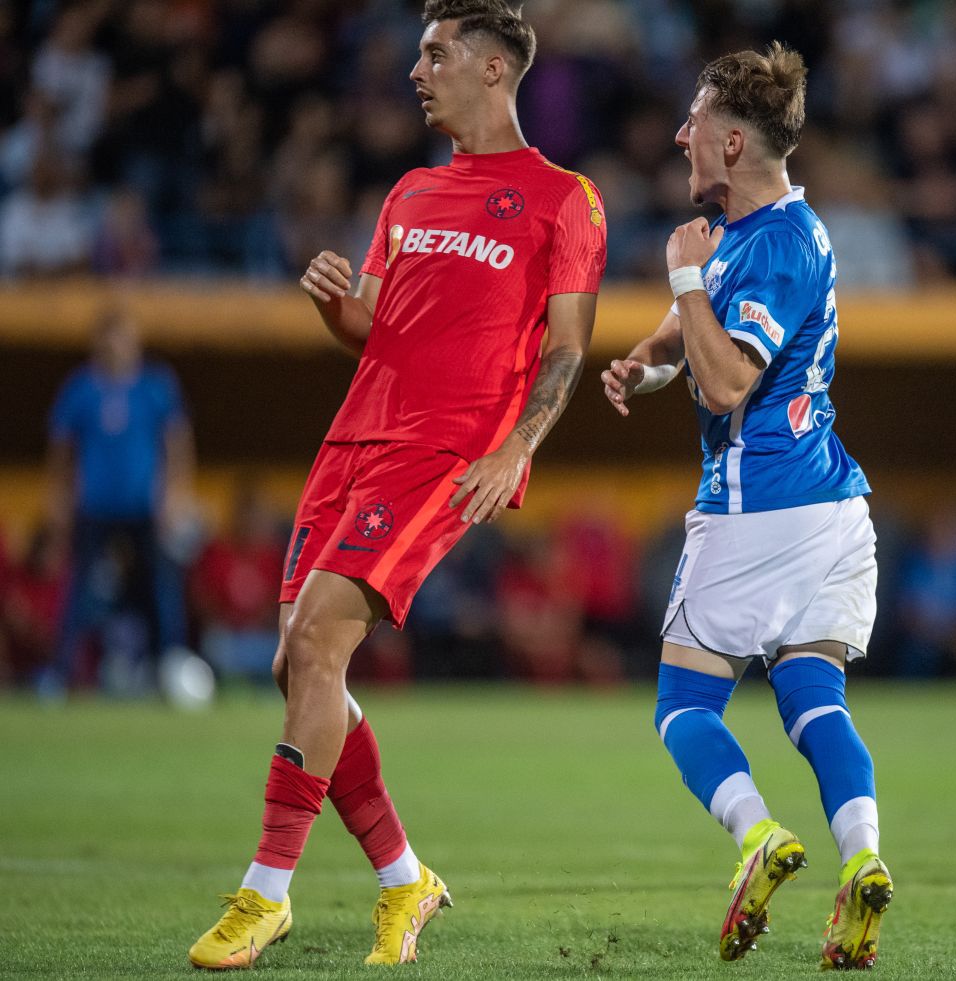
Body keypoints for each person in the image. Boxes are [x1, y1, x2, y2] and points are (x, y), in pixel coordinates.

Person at [188, 0, 606, 969]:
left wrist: (515, 449)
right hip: (353, 441)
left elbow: (568, 348)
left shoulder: (562, 197)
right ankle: (404, 879)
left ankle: (265, 895)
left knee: (323, 638)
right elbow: (377, 333)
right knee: (298, 664)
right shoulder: (410, 195)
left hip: (446, 453)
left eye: (435, 53)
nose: (416, 71)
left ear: (495, 69)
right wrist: (340, 307)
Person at [602, 43, 892, 970]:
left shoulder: (760, 248)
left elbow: (726, 383)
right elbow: (692, 346)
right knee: (813, 693)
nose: (680, 134)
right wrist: (646, 366)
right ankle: (865, 860)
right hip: (832, 507)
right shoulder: (767, 230)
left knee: (683, 704)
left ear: (731, 143)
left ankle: (759, 835)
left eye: (694, 122)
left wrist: (684, 284)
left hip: (752, 510)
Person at [38, 310, 193, 698]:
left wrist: (173, 495)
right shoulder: (81, 389)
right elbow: (61, 449)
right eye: (109, 338)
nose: (115, 346)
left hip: (144, 508)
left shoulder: (155, 387)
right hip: (95, 507)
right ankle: (62, 673)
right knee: (81, 592)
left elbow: (176, 442)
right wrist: (59, 497)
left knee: (160, 590)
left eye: (122, 337)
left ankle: (170, 670)